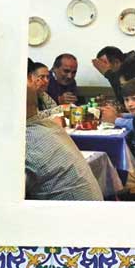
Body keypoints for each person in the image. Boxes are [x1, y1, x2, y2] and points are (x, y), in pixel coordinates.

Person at [25, 64, 102, 201]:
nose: (43, 81)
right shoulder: (45, 125)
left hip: (71, 213)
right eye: (40, 77)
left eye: (46, 77)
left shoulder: (25, 141)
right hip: (90, 208)